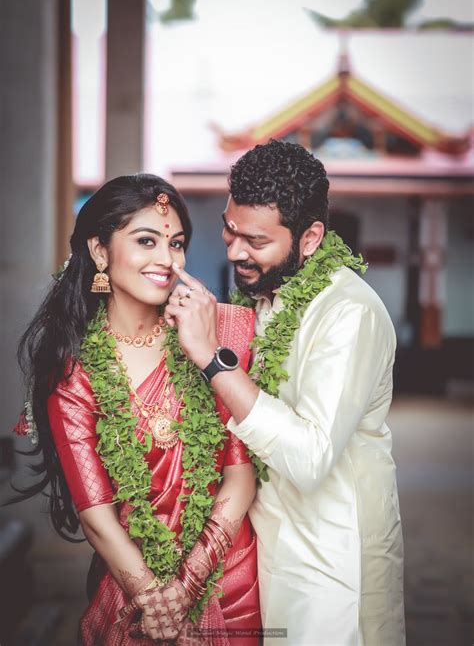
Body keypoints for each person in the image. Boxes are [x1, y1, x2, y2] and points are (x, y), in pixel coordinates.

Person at [164, 140, 406, 646]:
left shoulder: (349, 312)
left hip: (330, 561)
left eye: (254, 240)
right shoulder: (263, 294)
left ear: (311, 237)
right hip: (259, 552)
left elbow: (312, 457)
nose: (233, 251)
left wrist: (213, 360)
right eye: (229, 229)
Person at [13, 174, 261, 645]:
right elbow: (96, 514)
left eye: (177, 243)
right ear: (100, 251)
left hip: (229, 576)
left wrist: (185, 587)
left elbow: (241, 474)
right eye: (146, 241)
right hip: (132, 581)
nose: (166, 260)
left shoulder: (217, 334)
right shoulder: (74, 373)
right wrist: (154, 599)